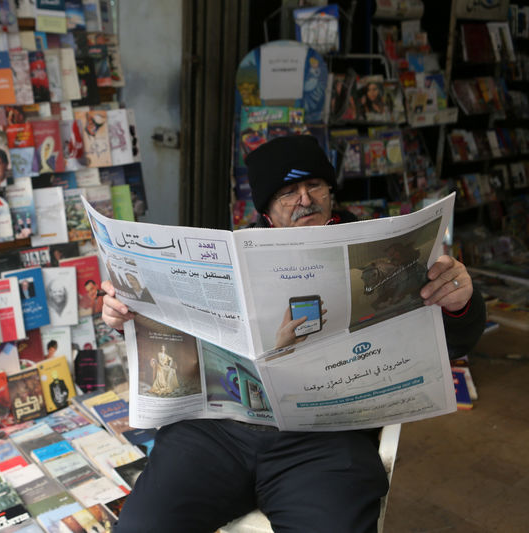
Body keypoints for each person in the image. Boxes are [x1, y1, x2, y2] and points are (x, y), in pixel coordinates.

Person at [101, 135, 486, 533]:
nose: (305, 199)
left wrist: (459, 304)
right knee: (142, 526)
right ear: (266, 210)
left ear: (330, 191)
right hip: (217, 434)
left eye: (314, 185)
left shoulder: (385, 249)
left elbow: (452, 342)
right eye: (288, 192)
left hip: (325, 437)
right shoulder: (235, 257)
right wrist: (123, 315)